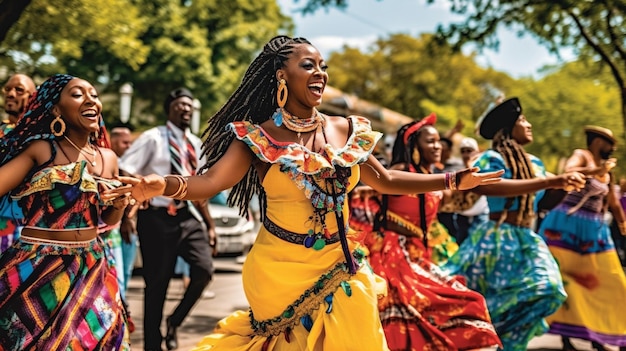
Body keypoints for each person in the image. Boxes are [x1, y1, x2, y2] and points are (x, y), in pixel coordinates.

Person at [120, 35, 502, 351]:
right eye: (308, 65)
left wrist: (453, 180)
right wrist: (162, 185)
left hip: (342, 263)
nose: (319, 73)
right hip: (279, 269)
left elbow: (385, 180)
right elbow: (210, 182)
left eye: (323, 66)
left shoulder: (347, 131)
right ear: (280, 75)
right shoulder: (257, 137)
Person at [442, 97, 587, 351]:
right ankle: (483, 333)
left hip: (526, 238)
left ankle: (503, 340)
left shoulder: (535, 163)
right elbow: (490, 187)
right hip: (495, 239)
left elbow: (543, 202)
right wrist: (548, 182)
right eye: (522, 120)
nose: (529, 125)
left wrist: (563, 187)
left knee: (549, 289)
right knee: (474, 302)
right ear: (507, 128)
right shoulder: (491, 158)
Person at [349, 113, 501, 350]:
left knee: (460, 304)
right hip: (391, 255)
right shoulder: (402, 169)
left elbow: (458, 201)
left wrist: (473, 177)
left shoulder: (432, 178)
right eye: (429, 141)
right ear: (414, 146)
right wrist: (367, 192)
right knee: (421, 311)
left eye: (438, 140)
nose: (437, 146)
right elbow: (384, 183)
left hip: (419, 253)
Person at [0, 73, 131, 349]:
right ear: (56, 110)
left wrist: (119, 206)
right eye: (78, 94)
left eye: (93, 94)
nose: (90, 100)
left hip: (92, 264)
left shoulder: (108, 158)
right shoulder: (42, 150)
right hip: (39, 266)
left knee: (97, 341)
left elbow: (107, 221)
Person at [118, 88, 217, 351]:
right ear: (169, 109)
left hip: (188, 216)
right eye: (180, 105)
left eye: (189, 106)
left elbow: (202, 186)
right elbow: (125, 167)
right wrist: (134, 202)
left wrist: (210, 226)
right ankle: (153, 343)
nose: (185, 109)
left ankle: (174, 321)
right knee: (157, 283)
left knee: (204, 271)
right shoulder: (152, 138)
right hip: (156, 218)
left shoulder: (196, 144)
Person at [537, 125, 626, 351]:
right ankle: (570, 338)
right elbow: (568, 171)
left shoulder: (608, 170)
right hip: (565, 227)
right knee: (567, 281)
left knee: (611, 280)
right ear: (597, 142)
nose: (612, 149)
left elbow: (613, 203)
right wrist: (594, 172)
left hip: (594, 231)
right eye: (609, 144)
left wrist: (623, 223)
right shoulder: (583, 156)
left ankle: (604, 334)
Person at [0, 73, 36, 253]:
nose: (11, 94)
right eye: (7, 89)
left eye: (19, 90)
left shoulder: (40, 135)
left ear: (33, 96)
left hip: (29, 224)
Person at [439, 136, 490, 245]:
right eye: (463, 151)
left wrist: (470, 165)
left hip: (480, 214)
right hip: (461, 215)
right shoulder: (457, 169)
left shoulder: (484, 167)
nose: (466, 154)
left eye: (469, 151)